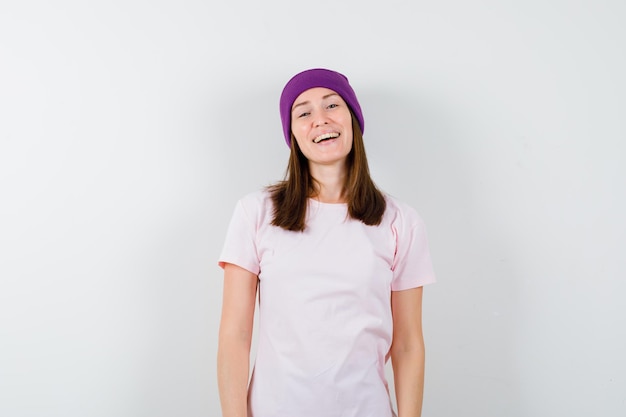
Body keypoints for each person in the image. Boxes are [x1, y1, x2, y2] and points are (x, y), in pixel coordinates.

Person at [217, 68, 436, 417]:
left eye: (332, 105)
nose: (320, 119)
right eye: (303, 112)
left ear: (353, 118)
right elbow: (235, 335)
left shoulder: (400, 222)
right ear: (293, 134)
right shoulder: (255, 213)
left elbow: (409, 344)